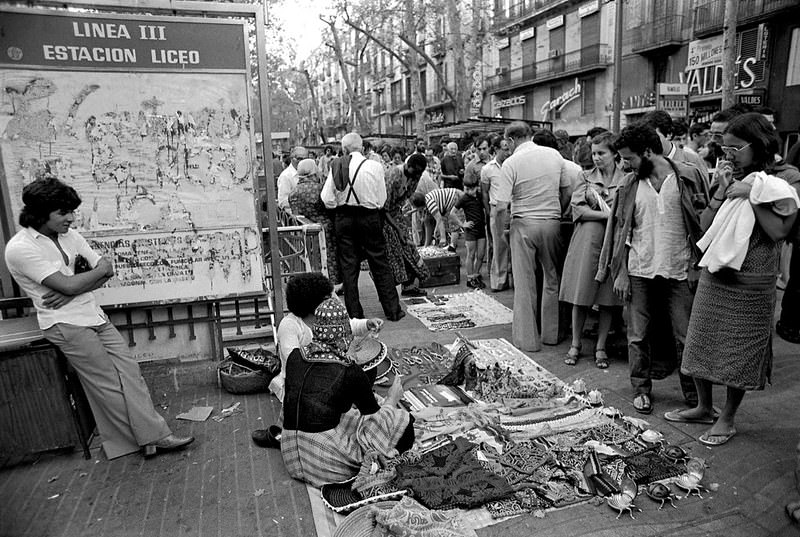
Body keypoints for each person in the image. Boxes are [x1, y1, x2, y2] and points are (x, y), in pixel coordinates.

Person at [3, 177, 194, 459]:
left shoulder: (70, 236)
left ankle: (151, 437)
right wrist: (77, 286)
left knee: (131, 372)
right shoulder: (20, 248)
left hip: (92, 314)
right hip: (64, 323)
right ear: (41, 213)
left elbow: (106, 270)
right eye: (63, 213)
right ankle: (149, 439)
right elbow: (81, 279)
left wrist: (73, 289)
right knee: (108, 384)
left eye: (71, 211)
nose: (71, 218)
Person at [671, 113, 798, 446]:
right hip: (717, 271)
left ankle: (727, 419)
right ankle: (703, 406)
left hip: (753, 279)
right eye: (723, 148)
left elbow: (778, 231)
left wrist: (751, 194)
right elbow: (705, 223)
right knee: (700, 339)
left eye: (734, 149)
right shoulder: (730, 173)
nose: (727, 155)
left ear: (757, 145)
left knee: (739, 349)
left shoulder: (786, 176)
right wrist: (725, 191)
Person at [596, 123, 708, 415]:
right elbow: (623, 231)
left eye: (629, 158)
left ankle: (694, 396)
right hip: (639, 268)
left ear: (647, 152)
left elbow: (703, 222)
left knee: (686, 335)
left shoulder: (686, 177)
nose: (624, 165)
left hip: (681, 267)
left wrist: (699, 264)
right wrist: (619, 271)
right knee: (638, 335)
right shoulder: (629, 185)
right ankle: (641, 389)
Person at [281, 298, 413, 487]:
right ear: (345, 334)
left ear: (316, 329)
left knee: (344, 414)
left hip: (291, 453)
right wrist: (392, 399)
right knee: (403, 423)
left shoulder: (295, 356)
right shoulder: (348, 370)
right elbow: (376, 418)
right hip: (325, 463)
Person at [498, 121, 571, 351]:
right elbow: (567, 190)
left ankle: (527, 340)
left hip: (523, 224)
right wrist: (556, 210)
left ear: (511, 140)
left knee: (525, 283)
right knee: (551, 278)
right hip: (551, 222)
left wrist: (502, 231)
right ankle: (551, 335)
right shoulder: (554, 156)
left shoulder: (511, 163)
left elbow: (500, 206)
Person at [321, 132, 404, 321]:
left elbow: (326, 199)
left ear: (344, 149)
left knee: (349, 267)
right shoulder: (375, 166)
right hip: (369, 218)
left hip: (344, 219)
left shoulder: (337, 165)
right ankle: (392, 310)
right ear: (362, 148)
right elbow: (382, 200)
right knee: (380, 263)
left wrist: (340, 207)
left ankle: (355, 314)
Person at [560, 132, 626, 369]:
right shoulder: (584, 177)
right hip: (587, 240)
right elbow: (578, 211)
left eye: (601, 153)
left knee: (607, 297)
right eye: (594, 153)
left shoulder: (626, 178)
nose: (596, 158)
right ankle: (576, 343)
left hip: (613, 243)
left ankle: (600, 347)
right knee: (581, 294)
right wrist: (608, 215)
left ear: (614, 154)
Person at [263, 272, 381, 405]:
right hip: (304, 382)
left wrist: (366, 324)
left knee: (368, 368)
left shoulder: (326, 315)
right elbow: (294, 362)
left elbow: (347, 325)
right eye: (325, 299)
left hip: (329, 373)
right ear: (311, 302)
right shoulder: (289, 325)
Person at [382, 153, 430, 296]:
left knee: (409, 248)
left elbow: (406, 198)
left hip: (396, 213)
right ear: (408, 166)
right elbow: (385, 208)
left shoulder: (416, 175)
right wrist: (397, 229)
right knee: (394, 252)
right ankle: (390, 290)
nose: (416, 177)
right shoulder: (393, 177)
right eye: (414, 172)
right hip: (384, 216)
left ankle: (409, 285)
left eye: (419, 174)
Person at [288, 159, 339, 285]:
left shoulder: (293, 193)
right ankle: (330, 283)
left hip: (304, 232)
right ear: (313, 173)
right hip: (325, 230)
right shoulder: (320, 189)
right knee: (328, 259)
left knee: (310, 259)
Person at [481, 135, 512, 292]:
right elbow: (485, 192)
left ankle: (512, 279)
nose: (508, 152)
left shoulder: (513, 165)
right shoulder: (487, 169)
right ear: (496, 149)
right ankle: (499, 281)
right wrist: (489, 212)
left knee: (514, 246)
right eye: (505, 149)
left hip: (513, 209)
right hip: (496, 210)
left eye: (509, 149)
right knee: (499, 247)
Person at [641, 110, 709, 182]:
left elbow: (704, 190)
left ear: (669, 134)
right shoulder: (643, 161)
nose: (649, 141)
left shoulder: (692, 159)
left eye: (654, 136)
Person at [453, 173, 487, 289]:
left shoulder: (479, 195)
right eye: (466, 189)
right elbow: (452, 213)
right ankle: (470, 277)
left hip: (481, 228)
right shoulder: (464, 198)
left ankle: (476, 274)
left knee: (481, 254)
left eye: (471, 189)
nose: (469, 191)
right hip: (471, 230)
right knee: (471, 254)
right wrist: (462, 224)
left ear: (477, 187)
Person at [411, 187, 463, 251]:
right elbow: (428, 225)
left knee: (453, 223)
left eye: (415, 208)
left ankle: (452, 246)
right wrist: (426, 246)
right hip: (450, 201)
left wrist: (443, 238)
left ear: (419, 206)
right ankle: (447, 244)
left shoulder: (429, 203)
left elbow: (439, 219)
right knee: (444, 225)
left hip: (454, 197)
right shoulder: (425, 208)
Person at [277, 146, 308, 213]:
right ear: (291, 158)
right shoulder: (286, 176)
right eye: (299, 158)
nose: (302, 161)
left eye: (305, 159)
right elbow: (283, 201)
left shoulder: (309, 173)